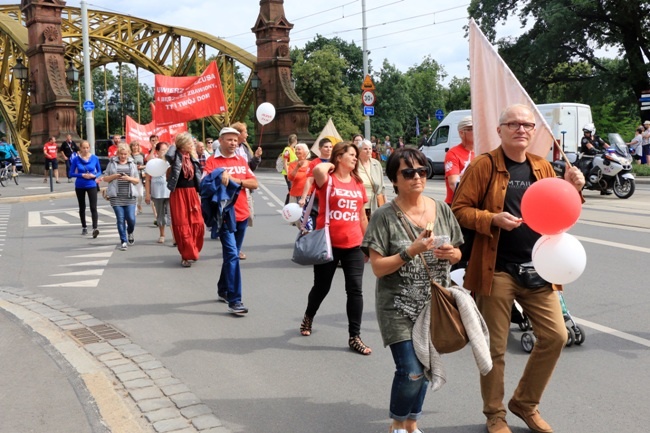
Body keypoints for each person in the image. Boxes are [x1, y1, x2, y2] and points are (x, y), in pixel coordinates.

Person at [451, 104, 585, 433]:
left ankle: (525, 403)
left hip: (539, 266)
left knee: (556, 336)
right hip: (495, 268)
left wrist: (575, 188)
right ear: (500, 130)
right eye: (513, 124)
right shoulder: (484, 165)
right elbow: (459, 210)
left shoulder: (542, 166)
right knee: (495, 348)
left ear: (533, 131)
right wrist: (492, 219)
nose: (521, 129)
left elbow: (559, 211)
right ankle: (495, 415)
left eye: (526, 124)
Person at [361, 147, 463, 433]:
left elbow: (458, 255)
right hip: (397, 307)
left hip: (434, 306)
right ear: (395, 179)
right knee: (412, 370)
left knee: (425, 368)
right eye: (408, 172)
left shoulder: (441, 209)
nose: (417, 177)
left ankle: (412, 423)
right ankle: (396, 423)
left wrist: (451, 255)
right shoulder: (384, 216)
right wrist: (411, 251)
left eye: (421, 171)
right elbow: (379, 268)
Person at [298, 141, 372, 356]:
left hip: (354, 245)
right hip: (328, 244)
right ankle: (309, 316)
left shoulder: (357, 183)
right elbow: (318, 169)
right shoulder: (327, 180)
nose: (355, 158)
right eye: (351, 154)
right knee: (321, 287)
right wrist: (331, 165)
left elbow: (361, 217)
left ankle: (354, 336)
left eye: (356, 155)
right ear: (339, 157)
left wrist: (368, 244)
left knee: (355, 290)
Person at [203, 127, 259, 314]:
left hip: (242, 214)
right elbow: (205, 186)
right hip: (225, 216)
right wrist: (219, 176)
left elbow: (254, 184)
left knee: (231, 256)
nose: (233, 143)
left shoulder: (241, 160)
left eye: (236, 140)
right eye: (229, 140)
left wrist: (235, 180)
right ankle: (235, 300)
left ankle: (223, 289)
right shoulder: (212, 162)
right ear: (221, 141)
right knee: (233, 256)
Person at [165, 132, 204, 268]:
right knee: (182, 224)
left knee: (197, 222)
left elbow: (198, 175)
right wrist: (175, 144)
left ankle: (193, 249)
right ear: (182, 144)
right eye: (189, 143)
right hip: (179, 194)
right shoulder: (175, 156)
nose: (192, 145)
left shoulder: (193, 158)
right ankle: (185, 255)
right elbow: (168, 154)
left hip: (192, 193)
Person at [231, 121, 262, 258]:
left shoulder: (244, 148)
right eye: (245, 132)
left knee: (247, 217)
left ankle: (236, 247)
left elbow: (250, 168)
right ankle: (234, 248)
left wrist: (256, 157)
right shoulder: (226, 149)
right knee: (231, 219)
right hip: (231, 189)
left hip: (245, 188)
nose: (247, 134)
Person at [103, 143, 141, 251]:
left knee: (131, 219)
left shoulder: (132, 163)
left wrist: (128, 178)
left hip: (129, 196)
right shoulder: (112, 163)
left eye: (125, 154)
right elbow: (105, 178)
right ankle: (123, 241)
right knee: (120, 219)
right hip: (116, 196)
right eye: (121, 154)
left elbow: (137, 180)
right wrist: (114, 176)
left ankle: (130, 232)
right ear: (118, 153)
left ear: (128, 153)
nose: (123, 156)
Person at [69, 140, 102, 237]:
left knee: (93, 207)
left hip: (91, 184)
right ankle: (84, 226)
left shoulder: (94, 158)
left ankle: (95, 228)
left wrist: (94, 175)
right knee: (82, 207)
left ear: (89, 147)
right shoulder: (76, 159)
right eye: (83, 148)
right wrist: (81, 174)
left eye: (87, 147)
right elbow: (71, 173)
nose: (85, 150)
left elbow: (100, 171)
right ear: (80, 148)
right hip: (80, 185)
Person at [145, 141, 172, 244]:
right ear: (157, 151)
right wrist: (147, 194)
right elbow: (147, 179)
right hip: (157, 192)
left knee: (171, 215)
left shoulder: (170, 162)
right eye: (162, 150)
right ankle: (162, 234)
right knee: (160, 214)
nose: (164, 152)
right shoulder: (152, 162)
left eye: (166, 150)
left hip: (169, 192)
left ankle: (174, 237)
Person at [444, 116, 475, 205]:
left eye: (476, 128)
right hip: (457, 204)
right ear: (461, 133)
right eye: (471, 129)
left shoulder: (482, 151)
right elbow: (453, 183)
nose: (476, 131)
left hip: (476, 205)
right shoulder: (453, 153)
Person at [298, 137, 334, 207]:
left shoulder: (336, 161)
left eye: (330, 147)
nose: (329, 149)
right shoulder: (314, 163)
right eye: (326, 147)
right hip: (318, 197)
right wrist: (303, 198)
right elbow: (309, 180)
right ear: (320, 149)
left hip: (333, 195)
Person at [357, 139, 385, 219]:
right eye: (365, 149)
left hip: (374, 205)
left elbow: (382, 187)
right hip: (359, 205)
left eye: (370, 149)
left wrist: (384, 204)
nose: (368, 151)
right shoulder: (355, 164)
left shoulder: (376, 164)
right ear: (359, 150)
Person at [580, 123, 611, 195]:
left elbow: (604, 144)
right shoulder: (584, 139)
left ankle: (604, 188)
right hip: (587, 157)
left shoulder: (597, 138)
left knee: (604, 169)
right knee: (585, 171)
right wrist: (596, 150)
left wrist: (612, 149)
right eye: (585, 132)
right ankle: (581, 186)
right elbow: (590, 147)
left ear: (592, 132)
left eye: (587, 132)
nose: (586, 134)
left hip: (597, 157)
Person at [281, 134, 298, 205]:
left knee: (292, 189)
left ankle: (289, 204)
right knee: (291, 189)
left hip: (294, 172)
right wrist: (288, 174)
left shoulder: (294, 150)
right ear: (295, 141)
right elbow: (285, 163)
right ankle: (287, 204)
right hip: (288, 172)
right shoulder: (287, 150)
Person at [130, 140, 146, 214]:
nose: (135, 147)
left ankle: (139, 204)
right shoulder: (129, 155)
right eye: (133, 146)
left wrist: (141, 167)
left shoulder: (142, 155)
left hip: (140, 176)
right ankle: (135, 209)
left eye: (136, 145)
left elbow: (146, 164)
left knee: (140, 194)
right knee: (134, 193)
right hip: (132, 176)